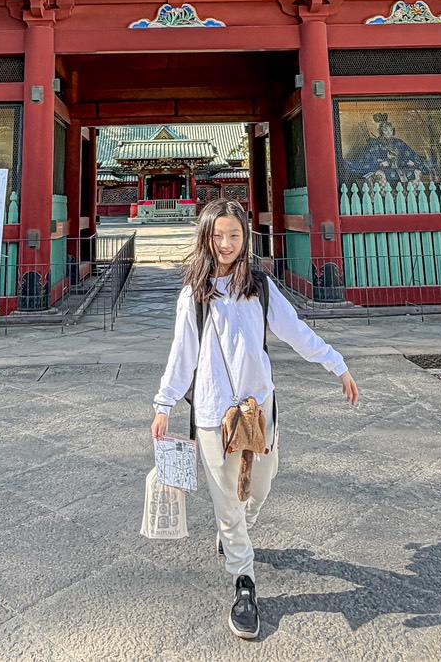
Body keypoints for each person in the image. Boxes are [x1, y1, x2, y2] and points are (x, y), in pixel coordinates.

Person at [150, 199, 359, 640]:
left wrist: (337, 365)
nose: (225, 244)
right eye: (217, 235)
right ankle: (243, 581)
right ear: (205, 237)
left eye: (234, 235)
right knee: (227, 502)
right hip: (212, 413)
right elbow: (181, 353)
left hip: (259, 408)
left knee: (260, 485)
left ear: (246, 238)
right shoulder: (194, 293)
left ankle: (238, 530)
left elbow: (296, 331)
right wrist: (164, 403)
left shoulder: (260, 287)